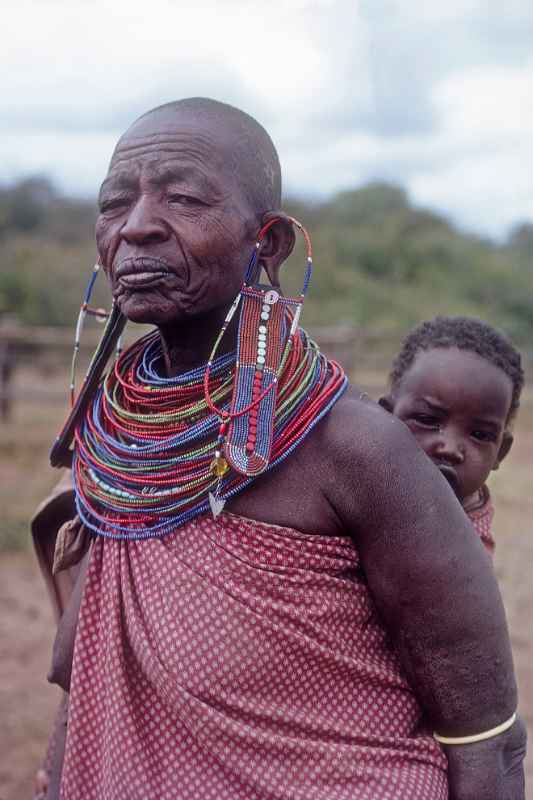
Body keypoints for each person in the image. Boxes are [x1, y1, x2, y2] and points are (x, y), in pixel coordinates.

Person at [32, 98, 525, 800]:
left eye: (182, 197)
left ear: (266, 244)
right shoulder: (110, 437)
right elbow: (92, 690)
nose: (136, 225)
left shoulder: (357, 449)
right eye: (115, 203)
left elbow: (489, 742)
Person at [380, 315, 524, 555]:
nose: (449, 448)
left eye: (479, 434)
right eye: (427, 420)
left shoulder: (466, 559)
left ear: (501, 452)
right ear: (384, 416)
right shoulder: (346, 483)